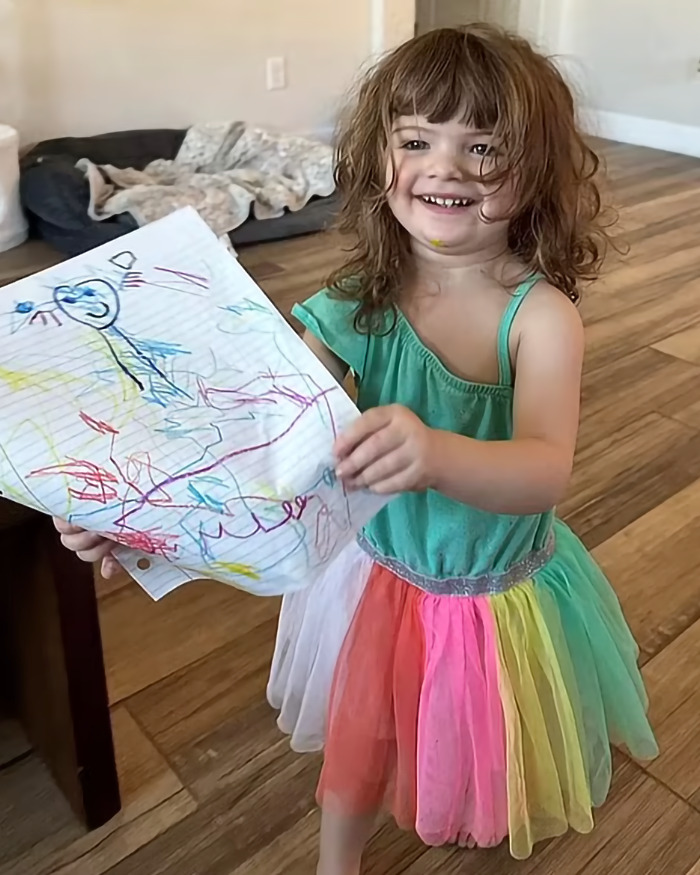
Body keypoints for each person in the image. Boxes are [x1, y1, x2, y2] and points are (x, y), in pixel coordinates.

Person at [55, 24, 658, 874]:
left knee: (474, 734)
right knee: (359, 744)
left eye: (482, 146)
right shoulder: (350, 307)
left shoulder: (543, 317)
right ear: (380, 159)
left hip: (492, 597)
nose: (444, 167)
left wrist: (437, 452)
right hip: (376, 581)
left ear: (537, 171)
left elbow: (543, 468)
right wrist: (133, 522)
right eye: (416, 140)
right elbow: (255, 453)